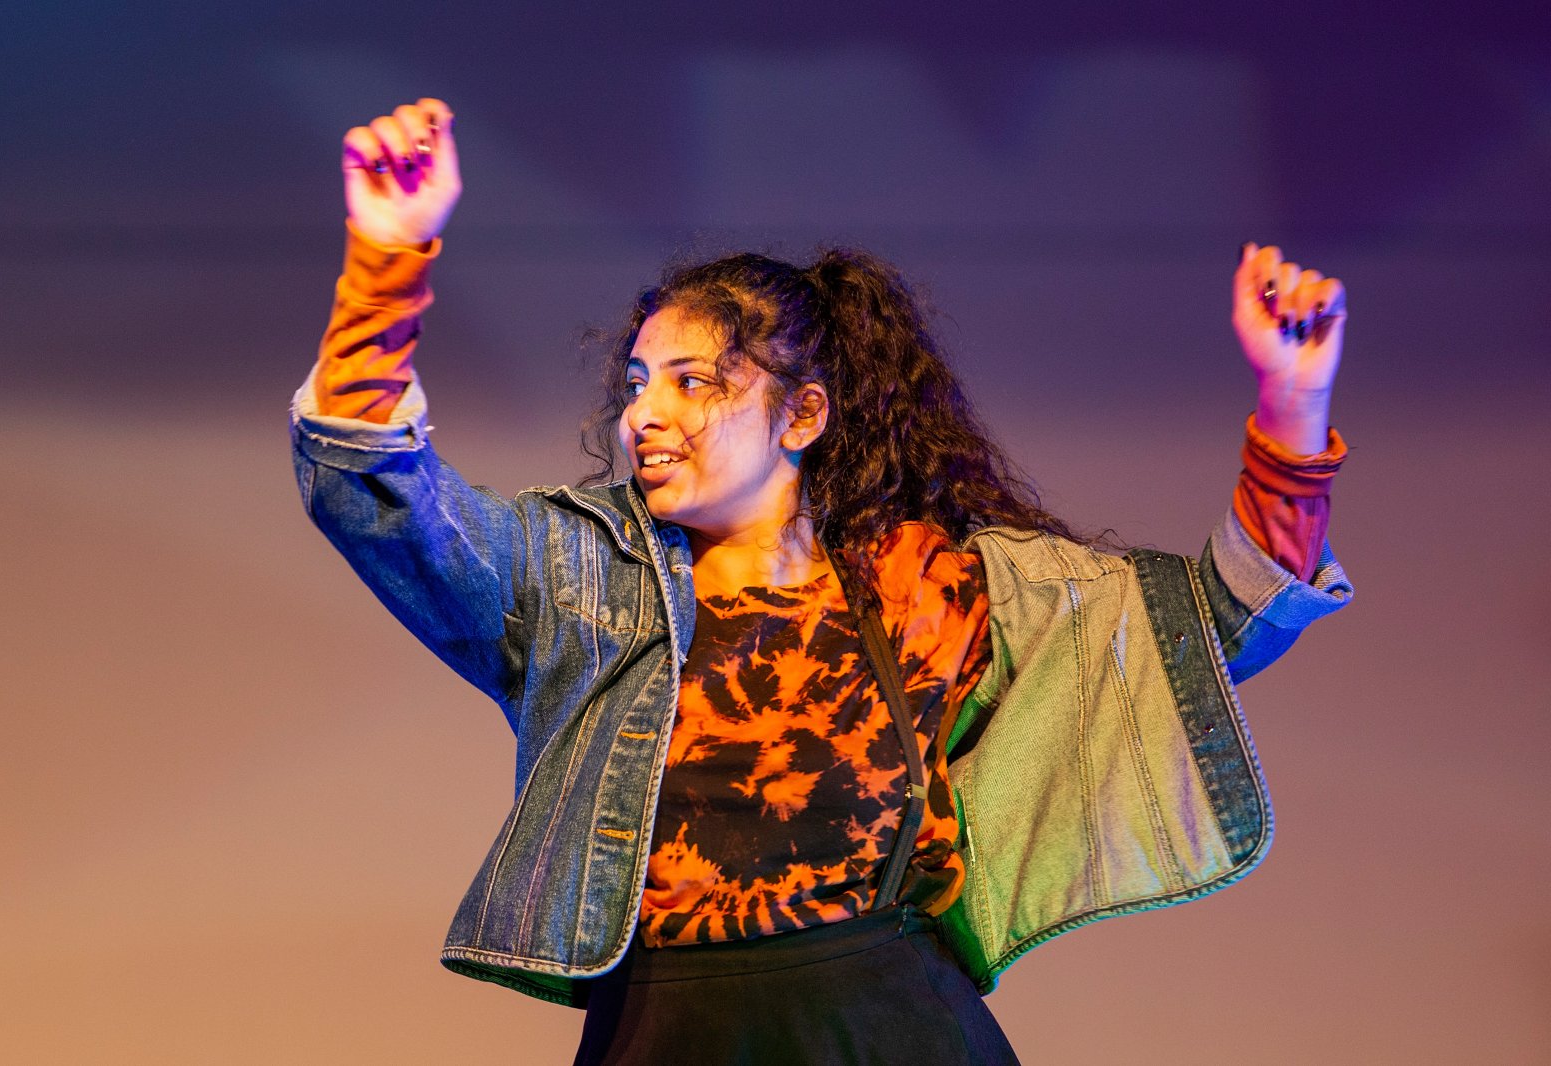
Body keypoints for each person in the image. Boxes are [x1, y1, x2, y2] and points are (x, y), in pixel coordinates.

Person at [293, 98, 1353, 1064]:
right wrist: (386, 256)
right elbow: (371, 487)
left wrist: (1293, 404)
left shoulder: (919, 585)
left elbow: (1210, 628)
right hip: (666, 1033)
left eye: (693, 383)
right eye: (637, 384)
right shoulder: (574, 571)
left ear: (801, 416)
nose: (643, 415)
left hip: (890, 1027)